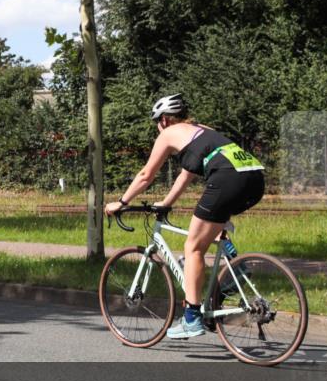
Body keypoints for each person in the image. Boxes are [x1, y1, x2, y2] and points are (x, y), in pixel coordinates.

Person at [104, 94, 265, 339]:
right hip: (254, 178)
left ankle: (191, 318)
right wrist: (166, 203)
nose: (158, 128)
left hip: (227, 178)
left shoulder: (169, 133)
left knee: (193, 247)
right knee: (210, 228)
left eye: (157, 122)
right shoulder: (202, 130)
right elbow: (186, 175)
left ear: (164, 120)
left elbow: (146, 175)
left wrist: (122, 202)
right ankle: (234, 268)